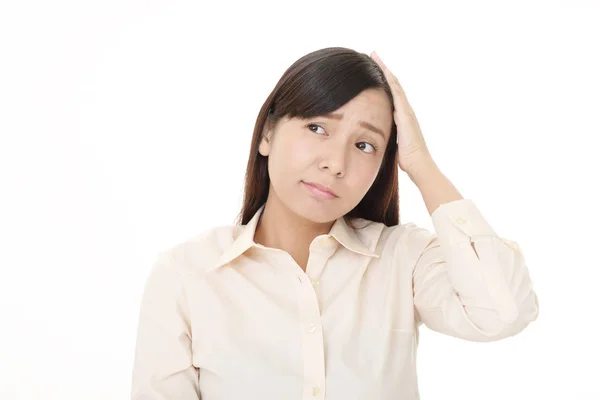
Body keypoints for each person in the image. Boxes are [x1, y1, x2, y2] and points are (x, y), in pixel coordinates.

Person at [130, 47, 539, 400]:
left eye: (365, 145)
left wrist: (420, 162)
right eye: (317, 127)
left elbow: (502, 313)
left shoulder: (403, 259)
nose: (336, 163)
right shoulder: (187, 274)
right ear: (267, 134)